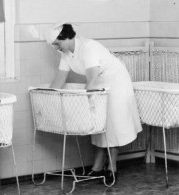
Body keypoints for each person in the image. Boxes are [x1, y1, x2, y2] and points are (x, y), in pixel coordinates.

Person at [46, 22, 142, 184]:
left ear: (67, 37)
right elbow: (59, 80)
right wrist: (47, 98)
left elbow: (91, 80)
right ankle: (97, 167)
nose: (56, 48)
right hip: (98, 84)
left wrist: (85, 104)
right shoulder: (66, 53)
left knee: (112, 126)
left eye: (57, 43)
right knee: (98, 124)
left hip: (116, 83)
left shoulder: (89, 47)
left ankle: (112, 168)